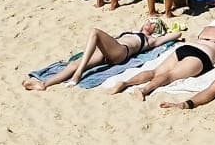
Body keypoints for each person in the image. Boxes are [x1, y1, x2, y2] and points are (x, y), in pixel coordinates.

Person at [106, 17, 215, 98]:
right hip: (203, 55)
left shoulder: (206, 29)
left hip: (186, 47)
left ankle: (125, 83)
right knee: (171, 76)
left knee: (155, 72)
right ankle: (144, 89)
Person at [22, 17, 172, 90]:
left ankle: (78, 74)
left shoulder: (150, 40)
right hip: (108, 49)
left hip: (121, 52)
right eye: (148, 20)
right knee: (76, 63)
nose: (149, 22)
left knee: (95, 32)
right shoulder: (132, 31)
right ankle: (44, 84)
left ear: (156, 29)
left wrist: (175, 28)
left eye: (153, 23)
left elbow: (175, 35)